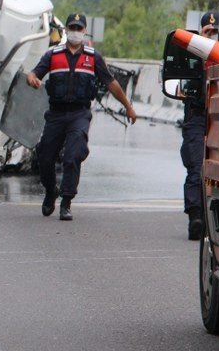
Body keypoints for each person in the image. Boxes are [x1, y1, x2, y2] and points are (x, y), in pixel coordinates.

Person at [26, 12, 137, 220]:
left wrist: (128, 107)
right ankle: (51, 191)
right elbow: (34, 74)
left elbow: (112, 83)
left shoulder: (93, 57)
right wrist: (31, 78)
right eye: (72, 28)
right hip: (56, 115)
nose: (75, 32)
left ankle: (66, 202)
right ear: (66, 30)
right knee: (45, 158)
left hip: (80, 114)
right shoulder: (53, 54)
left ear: (84, 31)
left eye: (79, 28)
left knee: (73, 154)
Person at [181, 11, 219, 240]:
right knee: (196, 167)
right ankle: (195, 215)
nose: (212, 35)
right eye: (208, 32)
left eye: (215, 32)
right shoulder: (192, 58)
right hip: (196, 117)